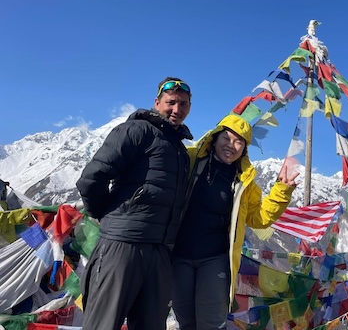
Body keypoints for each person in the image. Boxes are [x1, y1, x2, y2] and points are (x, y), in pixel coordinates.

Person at [76, 77, 193, 330]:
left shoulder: (181, 152)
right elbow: (91, 178)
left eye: (183, 103)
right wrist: (104, 214)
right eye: (170, 102)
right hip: (123, 246)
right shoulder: (136, 131)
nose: (177, 108)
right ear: (157, 103)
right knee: (103, 324)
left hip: (160, 252)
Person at [172, 114, 299, 329]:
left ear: (245, 149)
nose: (232, 145)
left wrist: (281, 192)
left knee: (212, 323)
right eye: (227, 138)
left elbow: (258, 218)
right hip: (179, 256)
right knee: (185, 321)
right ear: (215, 137)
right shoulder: (190, 159)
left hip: (215, 260)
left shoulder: (244, 182)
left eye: (239, 141)